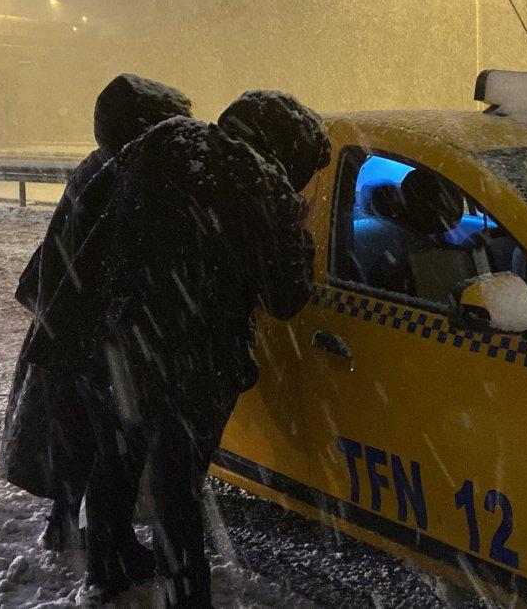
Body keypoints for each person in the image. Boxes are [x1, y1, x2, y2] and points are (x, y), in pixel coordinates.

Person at [23, 90, 329, 603]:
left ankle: (107, 570)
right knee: (177, 483)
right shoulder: (267, 187)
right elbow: (284, 298)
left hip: (116, 342)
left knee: (115, 458)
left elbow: (88, 211)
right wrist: (298, 230)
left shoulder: (165, 140)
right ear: (287, 150)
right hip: (196, 364)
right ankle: (186, 594)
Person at [1, 73, 193, 553]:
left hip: (67, 318)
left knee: (73, 431)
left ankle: (68, 525)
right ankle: (103, 541)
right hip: (90, 328)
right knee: (105, 440)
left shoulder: (99, 166)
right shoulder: (126, 175)